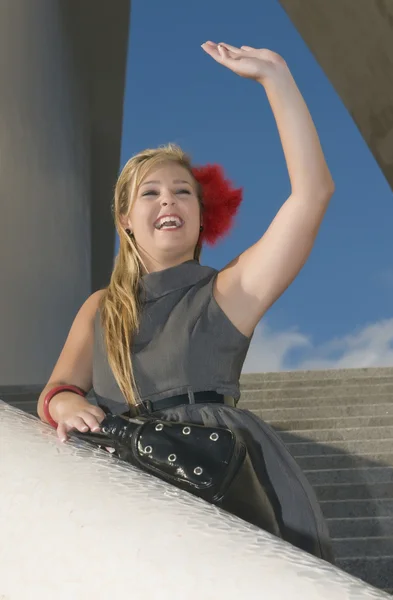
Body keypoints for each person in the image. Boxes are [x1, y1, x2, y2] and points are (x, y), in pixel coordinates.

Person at [37, 41, 335, 562]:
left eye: (183, 192)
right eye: (150, 193)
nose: (168, 200)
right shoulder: (101, 307)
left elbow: (312, 196)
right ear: (126, 219)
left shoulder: (227, 291)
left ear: (202, 217)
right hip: (128, 475)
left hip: (227, 475)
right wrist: (65, 403)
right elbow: (60, 387)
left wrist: (276, 79)